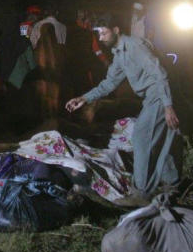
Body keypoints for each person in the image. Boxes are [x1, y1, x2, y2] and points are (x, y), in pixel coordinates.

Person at [65, 15, 180, 198]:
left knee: (142, 135)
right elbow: (109, 84)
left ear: (117, 30)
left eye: (104, 32)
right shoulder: (119, 53)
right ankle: (172, 183)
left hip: (159, 94)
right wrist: (83, 98)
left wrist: (168, 105)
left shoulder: (135, 46)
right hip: (151, 97)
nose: (100, 38)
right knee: (158, 138)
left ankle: (141, 192)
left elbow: (159, 72)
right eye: (98, 34)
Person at [32, 23, 66, 119]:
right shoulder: (55, 44)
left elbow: (41, 60)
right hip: (49, 74)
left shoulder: (42, 44)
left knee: (46, 98)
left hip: (46, 74)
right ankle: (50, 117)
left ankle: (48, 118)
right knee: (50, 98)